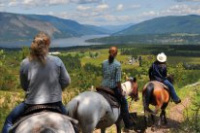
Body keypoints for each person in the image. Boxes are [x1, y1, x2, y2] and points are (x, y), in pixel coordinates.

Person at [2, 32, 71, 133]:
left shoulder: (25, 63)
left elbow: (24, 86)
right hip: (55, 103)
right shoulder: (57, 61)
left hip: (31, 104)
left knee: (9, 121)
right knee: (73, 124)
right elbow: (66, 81)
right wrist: (59, 89)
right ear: (47, 45)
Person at [101, 46, 134, 129]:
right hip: (112, 88)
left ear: (109, 52)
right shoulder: (117, 65)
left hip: (102, 87)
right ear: (116, 54)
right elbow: (118, 81)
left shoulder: (103, 63)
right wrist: (121, 89)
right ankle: (127, 123)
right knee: (124, 102)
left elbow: (104, 75)